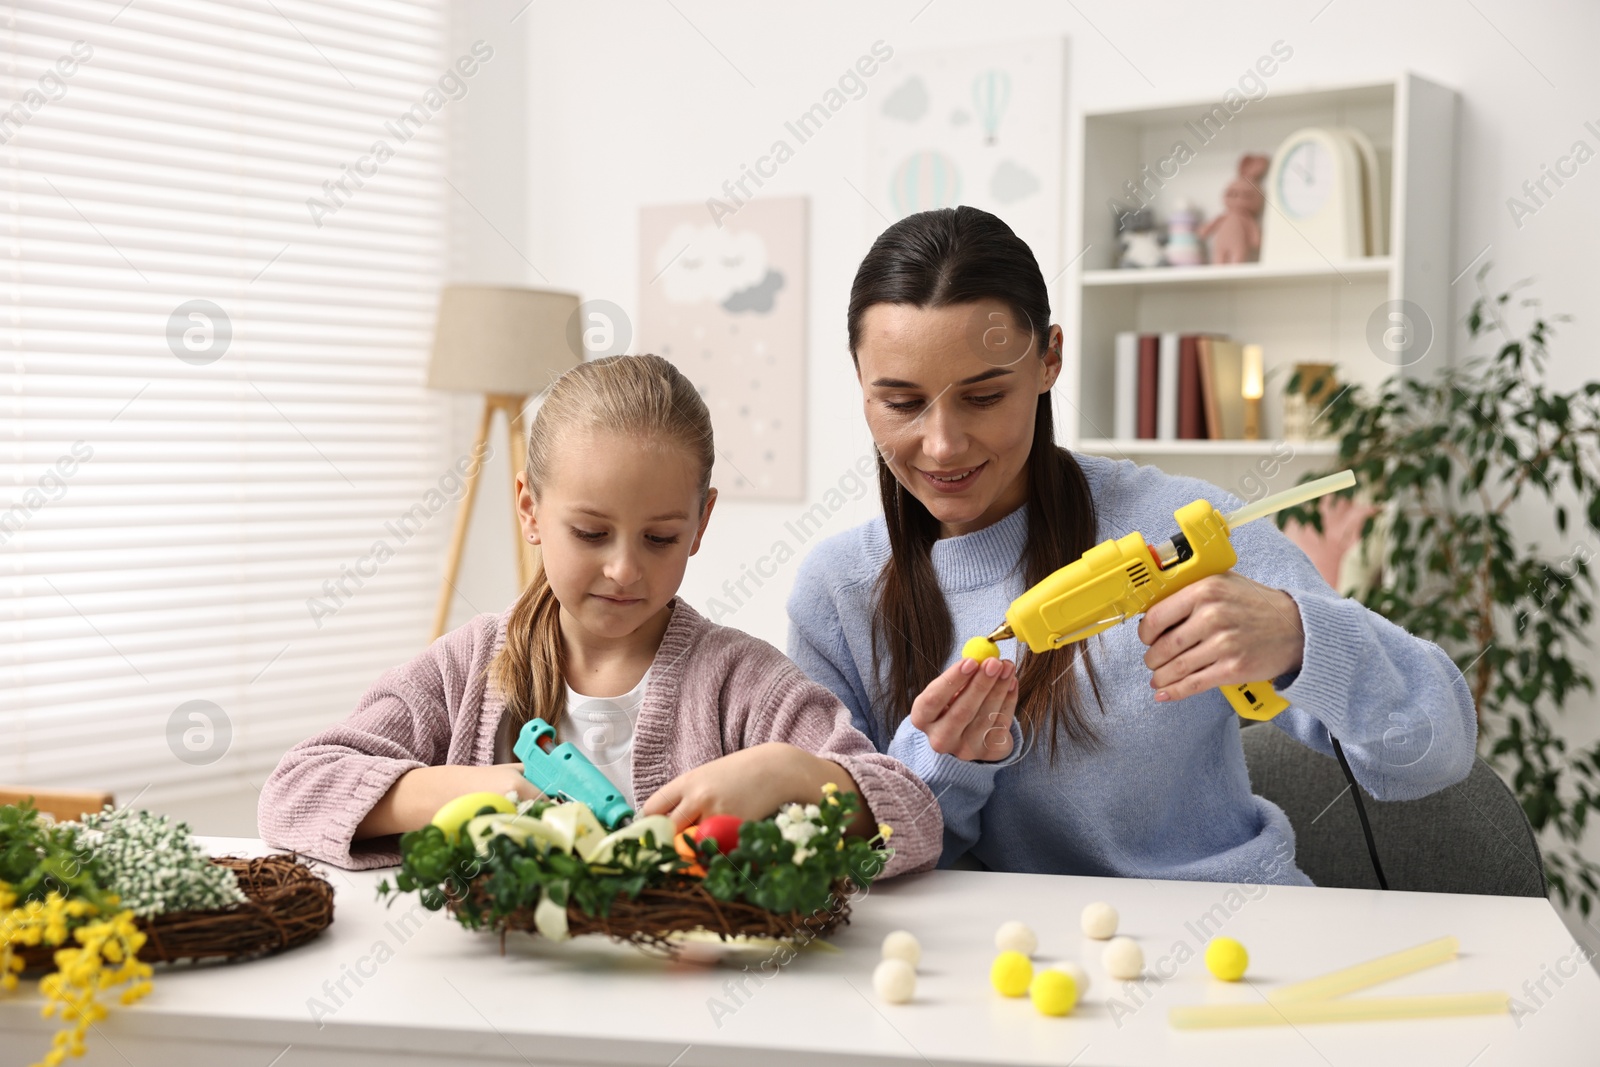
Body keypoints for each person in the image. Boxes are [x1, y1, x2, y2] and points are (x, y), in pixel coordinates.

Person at [785, 206, 1477, 884]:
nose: (942, 444)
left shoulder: (1178, 532)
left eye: (985, 396)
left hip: (1226, 947)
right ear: (859, 380)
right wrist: (942, 762)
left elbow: (1435, 749)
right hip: (992, 972)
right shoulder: (838, 592)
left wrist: (1302, 639)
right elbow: (833, 864)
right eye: (902, 403)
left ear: (1049, 359)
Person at [259, 354, 940, 875]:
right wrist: (468, 792)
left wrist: (793, 772)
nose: (623, 569)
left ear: (700, 523)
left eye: (660, 537)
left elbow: (915, 816)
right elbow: (294, 791)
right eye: (590, 533)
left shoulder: (741, 681)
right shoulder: (468, 668)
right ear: (530, 508)